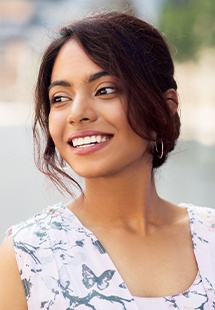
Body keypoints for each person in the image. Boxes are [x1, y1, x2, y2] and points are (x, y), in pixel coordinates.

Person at [0, 10, 215, 310]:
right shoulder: (28, 257)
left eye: (105, 90)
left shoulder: (210, 235)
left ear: (165, 107)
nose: (77, 113)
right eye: (60, 97)